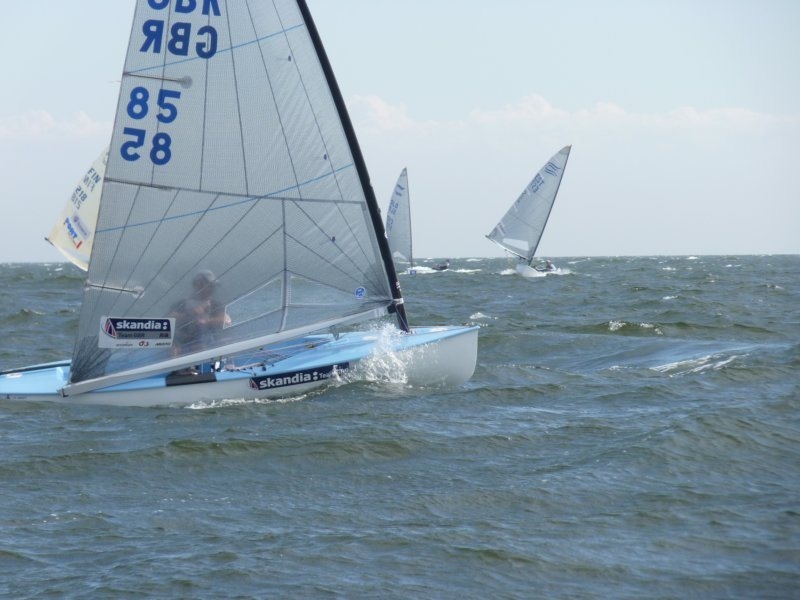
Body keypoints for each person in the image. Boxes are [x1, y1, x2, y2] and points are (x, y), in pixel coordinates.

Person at [170, 270, 229, 374]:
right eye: (210, 286)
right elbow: (170, 317)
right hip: (186, 338)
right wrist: (189, 316)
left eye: (213, 286)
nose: (212, 289)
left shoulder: (215, 304)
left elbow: (224, 319)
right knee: (174, 346)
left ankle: (216, 370)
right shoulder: (183, 303)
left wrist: (206, 320)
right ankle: (177, 372)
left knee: (222, 342)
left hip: (209, 338)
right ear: (198, 285)